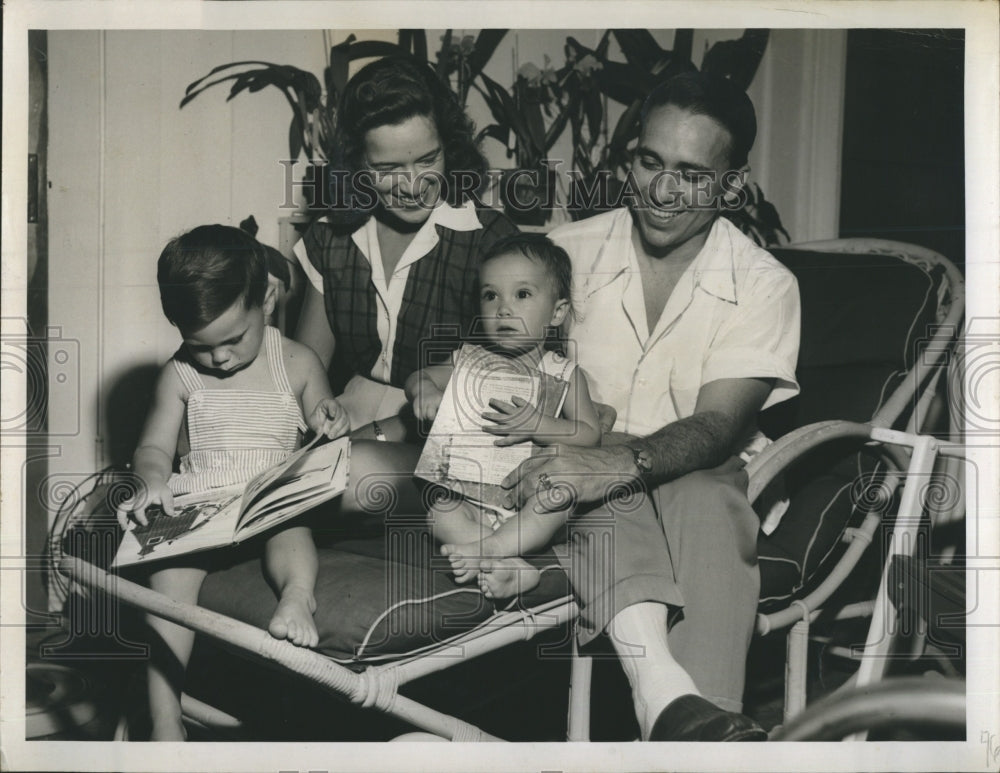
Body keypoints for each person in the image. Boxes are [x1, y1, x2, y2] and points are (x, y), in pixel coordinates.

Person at [485, 72, 801, 742]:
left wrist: (607, 461)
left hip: (701, 474)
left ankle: (680, 711)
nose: (661, 192)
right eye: (650, 163)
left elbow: (718, 425)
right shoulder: (566, 255)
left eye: (690, 174)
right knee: (583, 466)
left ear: (733, 186)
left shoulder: (766, 285)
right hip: (573, 460)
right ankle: (680, 710)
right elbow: (508, 367)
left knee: (698, 486)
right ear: (629, 159)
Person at [116, 225, 350, 740]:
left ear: (266, 301)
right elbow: (152, 448)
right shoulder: (180, 375)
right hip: (200, 506)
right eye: (200, 346)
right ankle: (164, 717)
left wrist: (331, 418)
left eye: (232, 340)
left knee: (293, 534)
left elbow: (323, 423)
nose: (218, 358)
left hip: (268, 502)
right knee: (168, 581)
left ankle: (297, 596)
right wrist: (153, 481)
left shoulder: (296, 361)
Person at [293, 54, 519, 435]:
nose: (413, 185)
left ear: (449, 146)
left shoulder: (491, 239)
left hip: (456, 424)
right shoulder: (330, 237)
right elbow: (302, 371)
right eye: (387, 169)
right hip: (350, 419)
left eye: (428, 159)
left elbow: (508, 380)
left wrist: (376, 435)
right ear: (357, 164)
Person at [404, 233, 601, 586]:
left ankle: (492, 551)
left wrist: (538, 424)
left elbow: (589, 433)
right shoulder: (470, 361)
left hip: (529, 497)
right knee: (439, 513)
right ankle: (507, 564)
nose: (503, 309)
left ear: (557, 312)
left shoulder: (565, 373)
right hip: (472, 496)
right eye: (490, 295)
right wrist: (425, 392)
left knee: (556, 499)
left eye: (522, 295)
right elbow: (419, 375)